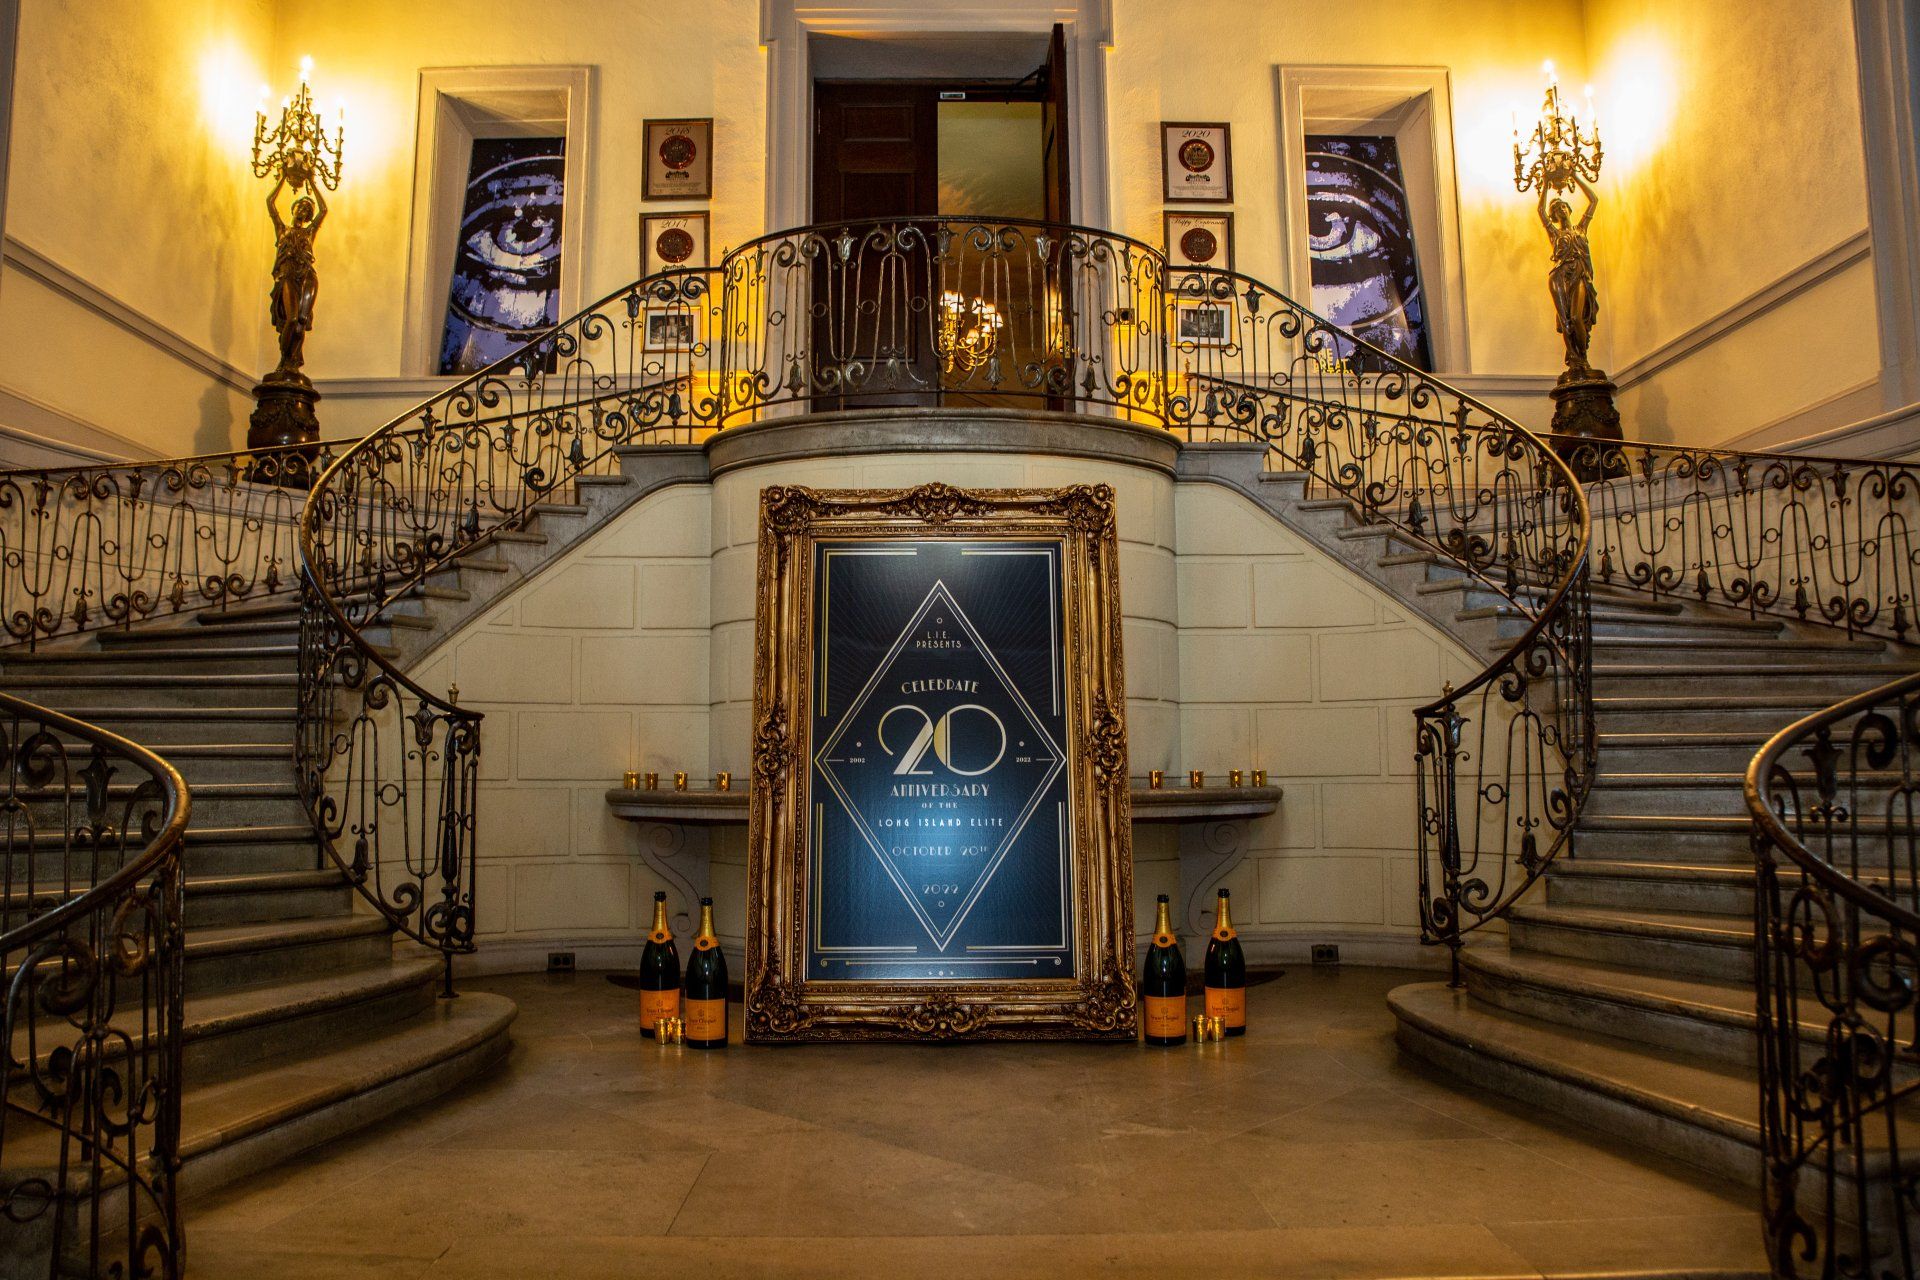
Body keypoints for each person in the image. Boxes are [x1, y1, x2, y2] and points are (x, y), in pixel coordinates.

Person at [1538, 173, 1599, 376]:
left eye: (1563, 206)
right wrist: (1545, 184)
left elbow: (1594, 200)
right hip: (1559, 275)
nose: (1561, 210)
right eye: (1556, 209)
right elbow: (1540, 211)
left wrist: (1575, 175)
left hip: (1579, 273)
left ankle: (1583, 359)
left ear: (1569, 209)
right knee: (1565, 321)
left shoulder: (1581, 229)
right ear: (1554, 215)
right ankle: (1574, 361)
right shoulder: (1555, 234)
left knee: (1576, 317)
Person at [267, 173, 327, 378]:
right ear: (293, 208)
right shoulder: (282, 229)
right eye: (301, 207)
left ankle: (293, 363)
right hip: (288, 275)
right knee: (291, 319)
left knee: (302, 320)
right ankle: (284, 361)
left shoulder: (309, 232)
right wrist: (283, 177)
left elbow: (323, 210)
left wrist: (311, 181)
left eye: (307, 210)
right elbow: (270, 202)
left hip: (307, 275)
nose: (303, 211)